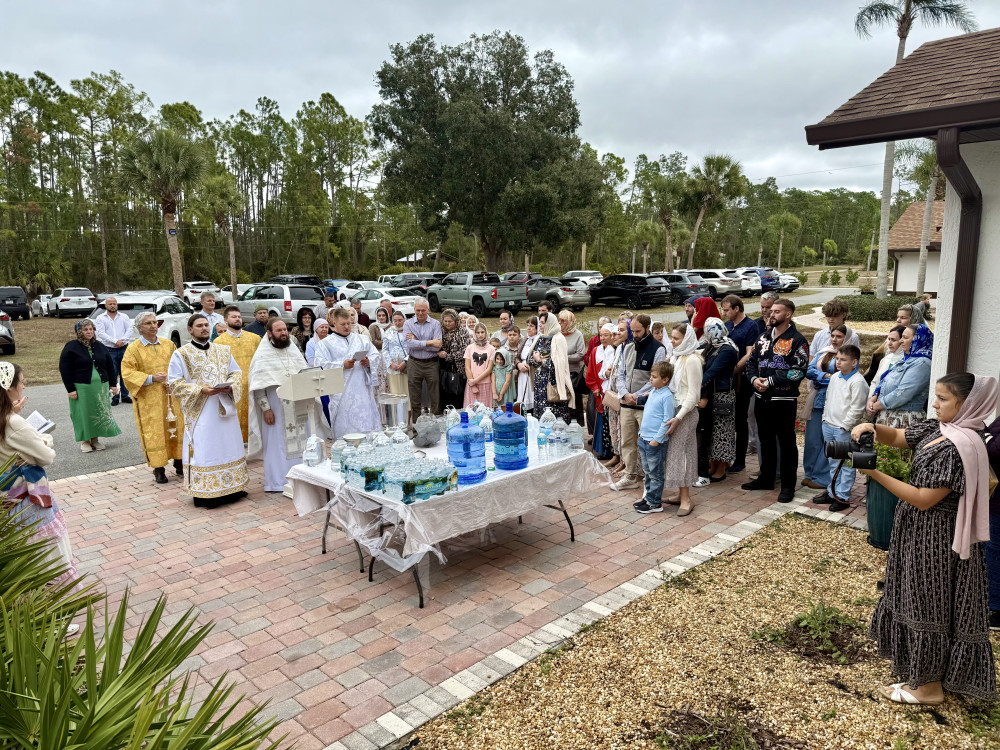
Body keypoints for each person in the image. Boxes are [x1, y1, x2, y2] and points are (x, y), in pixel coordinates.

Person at [854, 373, 998, 705]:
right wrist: (873, 429)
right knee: (917, 598)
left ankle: (929, 688)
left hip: (936, 539)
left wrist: (874, 472)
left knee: (928, 606)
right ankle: (922, 673)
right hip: (918, 532)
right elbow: (903, 436)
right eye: (936, 396)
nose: (935, 403)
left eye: (943, 399)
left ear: (967, 404)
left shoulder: (959, 447)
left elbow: (923, 498)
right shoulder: (941, 429)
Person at [0, 362, 78, 587]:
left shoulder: (6, 419)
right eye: (21, 381)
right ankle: (55, 615)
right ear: (9, 388)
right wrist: (44, 438)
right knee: (45, 554)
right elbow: (46, 456)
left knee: (19, 555)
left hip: (6, 499)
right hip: (27, 501)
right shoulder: (14, 424)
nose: (23, 387)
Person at [167, 315, 249, 508]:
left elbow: (236, 373)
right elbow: (175, 383)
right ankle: (206, 494)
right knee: (206, 449)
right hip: (200, 412)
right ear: (190, 329)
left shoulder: (223, 350)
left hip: (223, 407)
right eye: (199, 326)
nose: (204, 328)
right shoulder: (181, 354)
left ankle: (234, 487)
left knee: (229, 446)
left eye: (206, 325)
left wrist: (230, 386)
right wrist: (200, 389)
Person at [744, 298, 809, 503]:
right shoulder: (762, 337)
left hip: (784, 400)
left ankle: (789, 485)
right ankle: (766, 479)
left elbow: (798, 372)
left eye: (777, 311)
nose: (771, 314)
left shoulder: (798, 340)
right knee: (766, 441)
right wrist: (755, 380)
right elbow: (751, 363)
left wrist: (770, 381)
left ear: (788, 314)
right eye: (771, 311)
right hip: (761, 398)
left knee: (787, 443)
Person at [119, 311, 184, 484]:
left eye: (155, 322)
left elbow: (180, 365)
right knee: (154, 431)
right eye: (148, 323)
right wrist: (151, 378)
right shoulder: (133, 349)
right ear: (140, 328)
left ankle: (180, 462)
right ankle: (159, 468)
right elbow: (127, 373)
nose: (153, 325)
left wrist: (175, 379)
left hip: (171, 395)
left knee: (177, 426)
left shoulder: (169, 344)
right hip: (149, 399)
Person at [247, 318, 306, 493]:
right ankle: (278, 482)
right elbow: (258, 386)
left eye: (285, 330)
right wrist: (266, 409)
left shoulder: (293, 350)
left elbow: (304, 373)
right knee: (276, 444)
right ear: (270, 333)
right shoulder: (262, 354)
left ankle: (302, 479)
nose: (284, 333)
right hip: (275, 405)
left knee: (301, 442)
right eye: (279, 330)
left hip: (297, 404)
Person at [612, 314, 666, 492]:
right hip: (627, 404)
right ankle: (630, 475)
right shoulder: (627, 347)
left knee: (646, 443)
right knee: (627, 442)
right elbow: (621, 374)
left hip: (645, 406)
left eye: (638, 331)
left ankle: (649, 478)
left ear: (647, 328)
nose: (634, 334)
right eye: (632, 331)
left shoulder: (658, 349)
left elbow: (655, 379)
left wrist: (636, 395)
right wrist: (625, 394)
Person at [815, 344, 867, 511]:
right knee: (832, 461)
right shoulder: (835, 377)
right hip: (829, 425)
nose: (838, 362)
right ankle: (832, 492)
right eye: (837, 358)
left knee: (845, 463)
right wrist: (825, 419)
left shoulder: (857, 382)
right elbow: (829, 399)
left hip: (843, 429)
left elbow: (857, 408)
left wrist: (845, 426)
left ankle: (843, 496)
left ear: (854, 362)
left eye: (843, 360)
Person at [314, 308, 381, 439]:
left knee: (367, 428)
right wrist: (341, 365)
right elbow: (320, 365)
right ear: (334, 323)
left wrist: (369, 362)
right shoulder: (325, 344)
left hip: (363, 392)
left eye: (348, 323)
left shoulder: (362, 340)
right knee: (346, 431)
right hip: (342, 394)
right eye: (342, 324)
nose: (346, 327)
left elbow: (375, 355)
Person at [59, 319, 121, 453]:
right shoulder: (71, 346)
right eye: (85, 329)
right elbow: (64, 369)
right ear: (79, 331)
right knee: (83, 414)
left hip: (100, 387)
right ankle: (85, 441)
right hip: (82, 387)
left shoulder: (99, 345)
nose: (89, 332)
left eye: (91, 329)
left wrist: (112, 384)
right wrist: (70, 389)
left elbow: (110, 366)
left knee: (98, 412)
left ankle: (95, 439)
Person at [661, 323, 702, 516]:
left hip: (685, 413)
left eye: (676, 339)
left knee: (683, 454)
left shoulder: (692, 360)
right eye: (671, 338)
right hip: (675, 411)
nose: (672, 341)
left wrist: (678, 417)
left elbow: (693, 395)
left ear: (686, 340)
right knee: (675, 454)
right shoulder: (677, 357)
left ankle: (686, 498)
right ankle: (679, 494)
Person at [802, 325, 847, 492]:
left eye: (839, 336)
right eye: (833, 335)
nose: (834, 339)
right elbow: (809, 371)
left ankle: (821, 476)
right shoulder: (824, 352)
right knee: (812, 439)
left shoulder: (849, 356)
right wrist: (827, 376)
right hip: (817, 400)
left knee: (826, 440)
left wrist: (822, 378)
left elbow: (842, 378)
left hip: (834, 402)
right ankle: (809, 472)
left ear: (846, 338)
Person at [631, 360, 677, 515]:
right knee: (648, 471)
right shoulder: (654, 392)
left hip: (655, 442)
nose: (651, 379)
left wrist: (657, 440)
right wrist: (641, 434)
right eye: (651, 376)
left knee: (656, 473)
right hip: (644, 438)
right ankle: (649, 497)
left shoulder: (667, 396)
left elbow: (666, 420)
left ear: (665, 379)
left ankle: (655, 503)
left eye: (654, 377)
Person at [868, 324, 933, 429]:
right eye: (902, 337)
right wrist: (874, 398)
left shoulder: (922, 363)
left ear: (918, 339)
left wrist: (875, 406)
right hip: (889, 416)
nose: (901, 341)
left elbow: (903, 393)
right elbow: (884, 382)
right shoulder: (906, 360)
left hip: (903, 420)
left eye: (905, 338)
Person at [214, 305, 262, 444]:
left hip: (254, 386)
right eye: (233, 317)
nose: (237, 319)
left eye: (239, 317)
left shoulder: (254, 338)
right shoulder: (219, 342)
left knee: (255, 418)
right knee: (235, 421)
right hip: (233, 389)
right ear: (225, 320)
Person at [721, 295, 758, 474]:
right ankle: (724, 456)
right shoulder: (727, 326)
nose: (724, 313)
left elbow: (751, 353)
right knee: (726, 418)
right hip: (725, 379)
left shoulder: (751, 326)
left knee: (740, 420)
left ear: (737, 309)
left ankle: (740, 459)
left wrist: (735, 369)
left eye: (727, 309)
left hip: (741, 379)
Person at [699, 318, 739, 483]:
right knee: (714, 433)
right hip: (713, 394)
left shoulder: (727, 349)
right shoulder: (713, 346)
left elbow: (713, 371)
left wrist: (697, 385)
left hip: (723, 395)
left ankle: (721, 468)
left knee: (723, 432)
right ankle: (714, 464)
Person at [403, 299, 442, 422]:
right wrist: (429, 342)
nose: (420, 313)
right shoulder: (408, 324)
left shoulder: (435, 324)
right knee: (415, 398)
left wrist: (417, 341)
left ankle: (436, 428)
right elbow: (409, 344)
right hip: (414, 363)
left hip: (431, 363)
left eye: (423, 310)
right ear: (414, 310)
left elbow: (438, 345)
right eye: (417, 310)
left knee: (435, 397)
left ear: (428, 310)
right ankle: (416, 429)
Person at [533, 312, 575, 422]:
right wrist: (539, 360)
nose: (540, 325)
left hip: (553, 385)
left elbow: (558, 365)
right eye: (540, 323)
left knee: (554, 418)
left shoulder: (558, 339)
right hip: (540, 385)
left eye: (543, 323)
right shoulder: (540, 338)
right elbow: (532, 359)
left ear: (550, 323)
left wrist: (541, 361)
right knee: (541, 417)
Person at [95, 296, 134, 405]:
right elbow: (101, 333)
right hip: (109, 349)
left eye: (114, 303)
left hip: (124, 348)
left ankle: (125, 396)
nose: (112, 305)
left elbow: (130, 329)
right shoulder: (100, 318)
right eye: (110, 304)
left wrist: (122, 340)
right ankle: (115, 397)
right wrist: (115, 341)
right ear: (106, 306)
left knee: (125, 373)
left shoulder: (124, 317)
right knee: (112, 373)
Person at [586, 323, 616, 461]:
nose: (603, 338)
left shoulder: (614, 351)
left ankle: (612, 450)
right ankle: (602, 449)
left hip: (610, 391)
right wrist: (594, 387)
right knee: (600, 419)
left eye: (606, 335)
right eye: (601, 335)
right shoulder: (595, 351)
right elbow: (591, 372)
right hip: (599, 391)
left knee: (610, 419)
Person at [437, 309, 468, 411]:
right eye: (445, 321)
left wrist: (447, 356)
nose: (447, 323)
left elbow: (464, 352)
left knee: (457, 396)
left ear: (456, 321)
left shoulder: (462, 332)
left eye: (450, 321)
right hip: (442, 369)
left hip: (458, 370)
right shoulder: (440, 331)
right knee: (444, 396)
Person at [559, 310, 586, 422]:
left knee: (574, 403)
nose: (560, 323)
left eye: (563, 321)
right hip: (559, 374)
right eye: (559, 320)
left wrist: (563, 358)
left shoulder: (577, 335)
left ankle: (576, 427)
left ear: (570, 322)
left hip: (572, 375)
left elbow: (580, 354)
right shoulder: (557, 334)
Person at [464, 323, 495, 407]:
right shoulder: (470, 348)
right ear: (475, 333)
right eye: (478, 332)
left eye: (482, 332)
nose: (480, 335)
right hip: (471, 383)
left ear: (486, 332)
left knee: (485, 410)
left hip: (485, 383)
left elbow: (489, 369)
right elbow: (467, 367)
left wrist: (476, 380)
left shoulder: (491, 349)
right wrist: (473, 383)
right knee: (471, 410)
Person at [516, 317, 539, 409]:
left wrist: (532, 367)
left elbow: (542, 358)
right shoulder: (525, 339)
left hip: (533, 375)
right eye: (527, 325)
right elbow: (517, 357)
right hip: (523, 373)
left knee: (533, 400)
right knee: (522, 401)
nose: (528, 328)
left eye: (532, 326)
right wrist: (519, 365)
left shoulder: (540, 340)